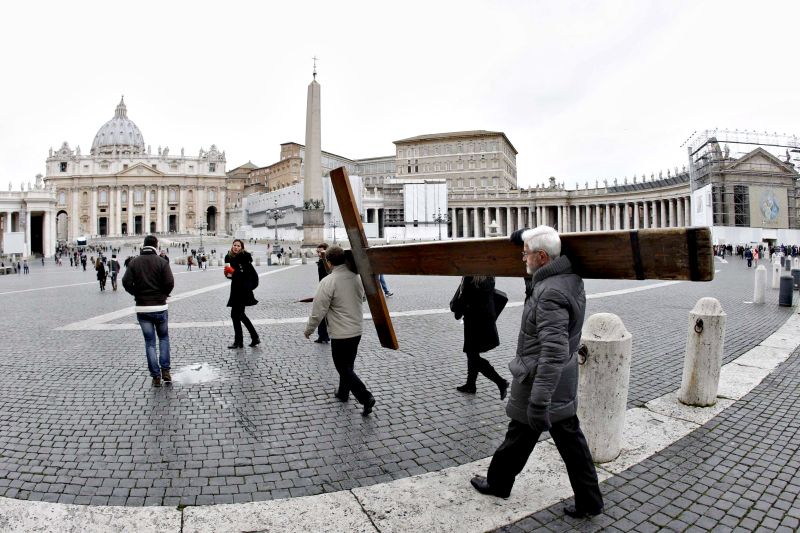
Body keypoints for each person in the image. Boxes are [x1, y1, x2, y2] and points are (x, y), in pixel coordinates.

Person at [470, 226, 603, 520]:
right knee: (561, 442)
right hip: (558, 379)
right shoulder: (565, 278)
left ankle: (498, 483)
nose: (522, 258)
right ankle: (589, 500)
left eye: (526, 253)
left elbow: (553, 351)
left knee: (523, 436)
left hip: (540, 381)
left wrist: (540, 401)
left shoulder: (550, 294)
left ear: (542, 257)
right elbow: (536, 285)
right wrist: (525, 237)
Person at [304, 245, 375, 416]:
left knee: (342, 367)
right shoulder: (356, 277)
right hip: (357, 329)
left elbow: (318, 310)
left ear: (328, 262)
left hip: (341, 332)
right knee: (348, 364)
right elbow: (363, 298)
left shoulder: (328, 281)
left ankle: (365, 397)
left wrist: (309, 330)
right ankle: (343, 393)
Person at [122, 235, 175, 387]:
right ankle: (165, 370)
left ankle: (156, 376)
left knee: (150, 342)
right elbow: (170, 282)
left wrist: (136, 293)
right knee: (163, 338)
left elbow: (125, 282)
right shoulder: (162, 262)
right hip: (160, 307)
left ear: (143, 245)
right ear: (156, 245)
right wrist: (163, 295)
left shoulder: (134, 262)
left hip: (142, 307)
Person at [451, 276, 509, 398]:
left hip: (474, 321)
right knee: (473, 353)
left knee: (473, 356)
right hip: (486, 319)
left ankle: (501, 382)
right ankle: (470, 384)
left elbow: (464, 299)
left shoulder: (470, 278)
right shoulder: (489, 277)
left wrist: (456, 308)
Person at [224, 239, 260, 349]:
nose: (236, 247)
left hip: (243, 291)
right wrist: (228, 274)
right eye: (234, 245)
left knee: (238, 315)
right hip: (236, 289)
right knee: (237, 315)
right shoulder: (230, 258)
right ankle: (249, 339)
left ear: (242, 247)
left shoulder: (245, 258)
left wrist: (233, 272)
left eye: (238, 246)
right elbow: (233, 276)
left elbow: (246, 275)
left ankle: (241, 340)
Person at [314, 243, 331, 344]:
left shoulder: (327, 262)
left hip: (326, 290)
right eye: (317, 251)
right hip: (323, 289)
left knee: (321, 314)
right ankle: (323, 335)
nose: (318, 253)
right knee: (322, 314)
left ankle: (323, 335)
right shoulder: (321, 261)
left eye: (320, 252)